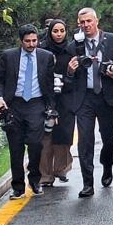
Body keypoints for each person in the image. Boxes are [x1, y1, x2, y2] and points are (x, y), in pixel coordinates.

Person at [67, 8, 113, 198]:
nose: (86, 25)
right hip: (84, 98)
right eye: (82, 22)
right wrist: (70, 70)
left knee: (108, 138)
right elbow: (68, 79)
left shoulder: (112, 39)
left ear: (96, 21)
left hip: (106, 96)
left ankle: (107, 166)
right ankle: (88, 183)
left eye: (89, 21)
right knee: (85, 141)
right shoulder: (74, 45)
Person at [0, 24, 56, 199]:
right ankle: (18, 187)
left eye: (34, 40)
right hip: (14, 105)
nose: (31, 44)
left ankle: (35, 180)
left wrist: (52, 109)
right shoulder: (9, 56)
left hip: (36, 104)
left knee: (36, 144)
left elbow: (50, 85)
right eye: (27, 41)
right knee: (15, 148)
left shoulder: (46, 57)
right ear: (21, 41)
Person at [39, 19, 74, 187]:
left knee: (63, 135)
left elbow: (77, 75)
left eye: (62, 30)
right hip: (46, 96)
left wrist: (69, 74)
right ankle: (45, 175)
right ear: (50, 32)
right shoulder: (42, 50)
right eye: (55, 31)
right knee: (46, 136)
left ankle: (61, 169)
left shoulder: (71, 49)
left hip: (65, 97)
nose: (59, 34)